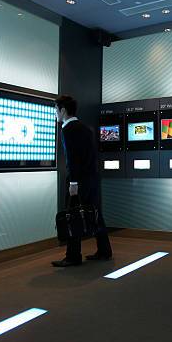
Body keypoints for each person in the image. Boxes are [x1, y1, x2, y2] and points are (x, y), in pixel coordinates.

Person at [52, 95, 112, 267]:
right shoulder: (85, 128)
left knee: (72, 216)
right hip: (92, 178)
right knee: (95, 214)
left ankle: (73, 256)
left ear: (63, 110)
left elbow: (72, 159)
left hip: (78, 180)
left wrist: (73, 183)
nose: (55, 114)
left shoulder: (67, 129)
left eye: (56, 110)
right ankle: (104, 250)